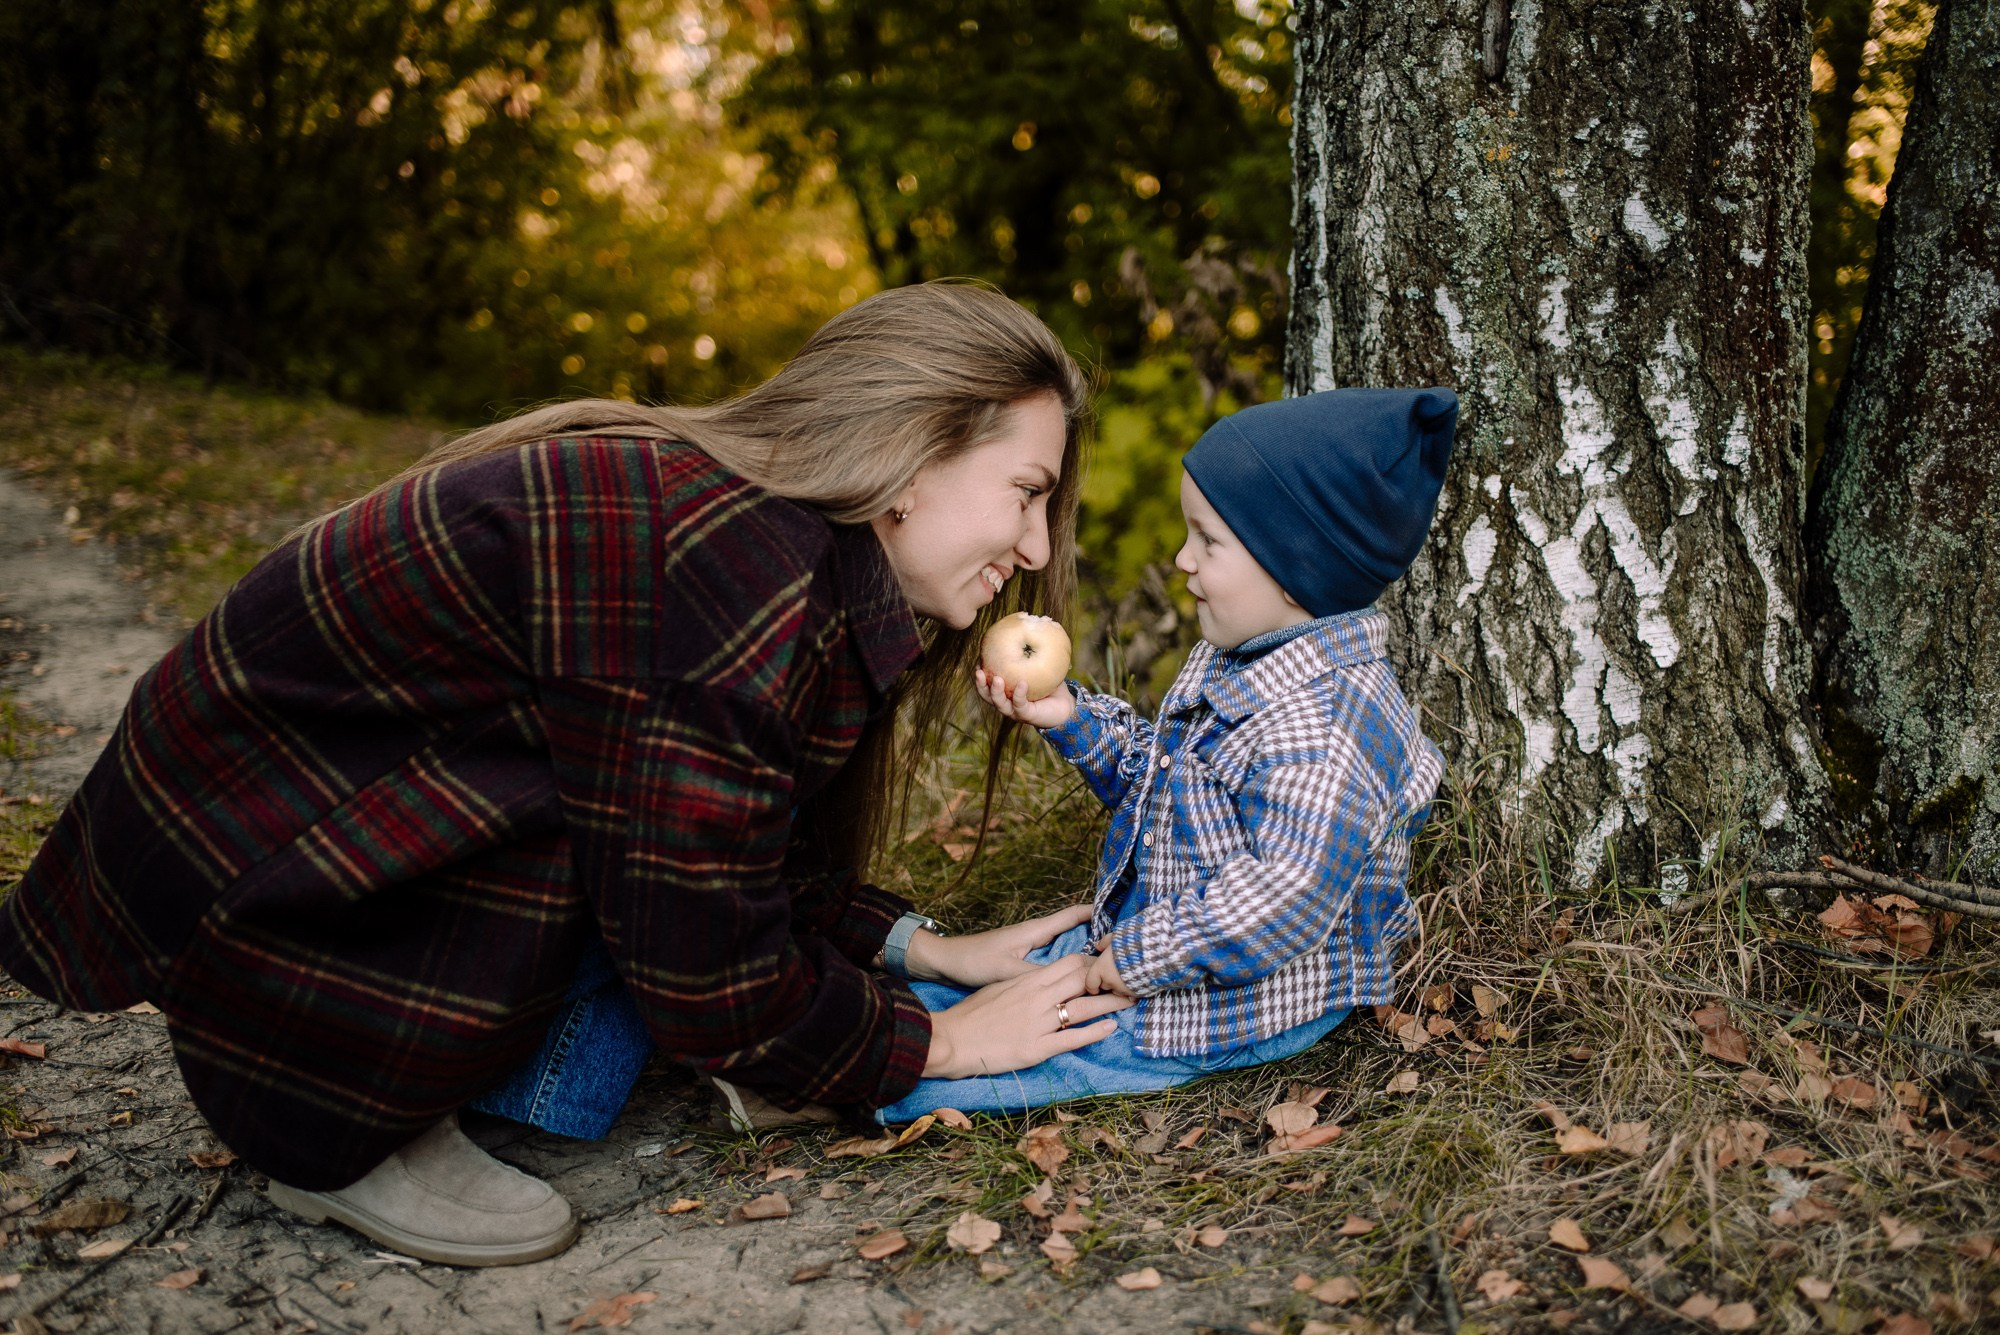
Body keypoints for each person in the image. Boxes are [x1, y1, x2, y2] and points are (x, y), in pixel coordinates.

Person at [0, 282, 1130, 1267]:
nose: (1036, 548)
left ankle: (470, 1067)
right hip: (271, 894)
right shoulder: (728, 565)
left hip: (309, 860)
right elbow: (703, 949)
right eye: (1026, 491)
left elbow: (730, 835)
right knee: (673, 928)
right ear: (915, 455)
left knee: (657, 871)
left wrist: (918, 950)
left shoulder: (773, 549)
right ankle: (332, 1119)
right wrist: (942, 1041)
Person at [875, 387, 1455, 1122]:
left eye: (1208, 541)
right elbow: (1169, 784)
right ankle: (855, 1028)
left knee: (1056, 1043)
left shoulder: (1326, 733)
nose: (1182, 559)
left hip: (1230, 998)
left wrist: (1137, 957)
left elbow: (1282, 899)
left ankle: (860, 1086)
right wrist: (1073, 719)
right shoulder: (1251, 656)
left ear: (1294, 563)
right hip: (1169, 939)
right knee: (979, 993)